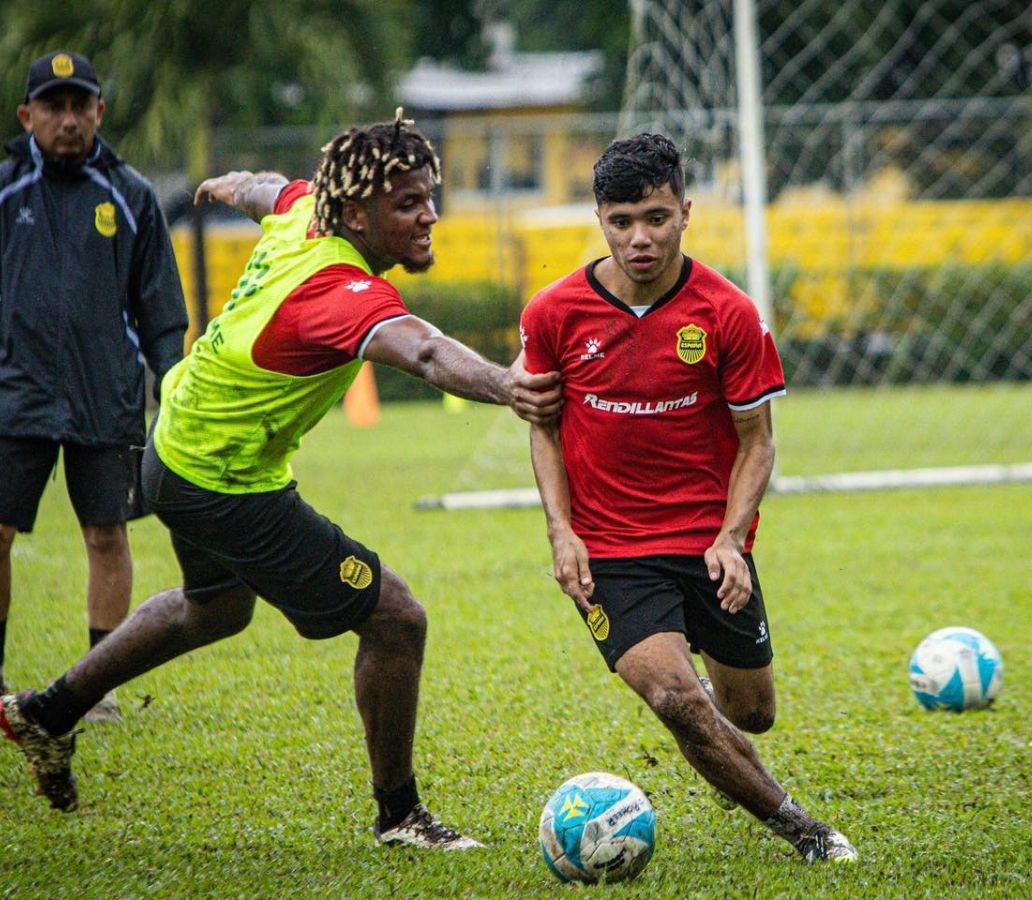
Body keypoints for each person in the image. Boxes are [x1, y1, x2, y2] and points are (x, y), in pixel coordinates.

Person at [0, 110, 562, 849]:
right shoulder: (336, 292)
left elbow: (276, 190)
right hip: (223, 481)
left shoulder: (308, 213)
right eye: (408, 204)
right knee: (396, 619)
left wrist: (236, 185)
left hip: (177, 452)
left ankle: (46, 712)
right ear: (355, 213)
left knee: (215, 610)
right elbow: (421, 353)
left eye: (430, 196)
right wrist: (508, 385)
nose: (430, 217)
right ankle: (400, 816)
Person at [520, 134, 858, 863]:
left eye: (656, 217)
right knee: (677, 701)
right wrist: (560, 531)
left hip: (708, 544)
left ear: (686, 212)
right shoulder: (553, 313)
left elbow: (757, 441)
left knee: (750, 712)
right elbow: (542, 430)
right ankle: (807, 833)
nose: (638, 238)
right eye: (620, 221)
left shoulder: (728, 313)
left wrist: (731, 538)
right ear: (599, 218)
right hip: (609, 551)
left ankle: (697, 677)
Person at [0, 51, 189, 721]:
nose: (69, 120)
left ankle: (98, 684)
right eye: (54, 107)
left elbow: (163, 313)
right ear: (28, 116)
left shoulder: (131, 196)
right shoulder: (5, 189)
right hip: (13, 396)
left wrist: (173, 392)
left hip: (103, 395)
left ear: (99, 112)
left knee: (106, 536)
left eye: (81, 106)